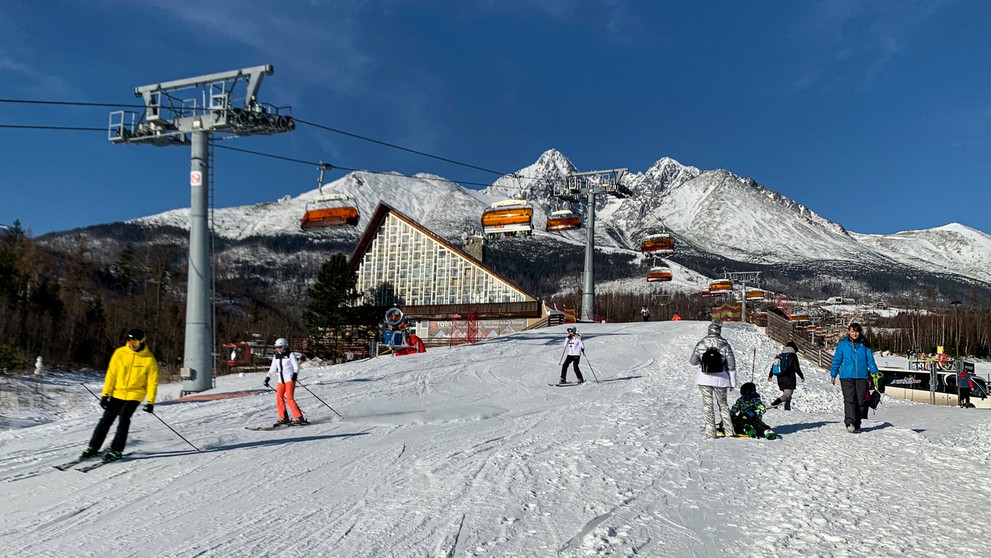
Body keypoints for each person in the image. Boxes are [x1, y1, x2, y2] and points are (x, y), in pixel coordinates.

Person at [79, 328, 159, 463]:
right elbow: (111, 374)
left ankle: (116, 450)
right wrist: (105, 395)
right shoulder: (120, 353)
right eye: (128, 341)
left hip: (135, 393)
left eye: (134, 341)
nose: (131, 344)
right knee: (105, 420)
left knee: (124, 418)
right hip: (118, 392)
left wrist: (150, 402)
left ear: (142, 341)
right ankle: (92, 447)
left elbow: (152, 382)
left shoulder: (149, 359)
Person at [689, 320, 737, 439]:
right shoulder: (725, 344)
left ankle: (711, 433)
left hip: (704, 379)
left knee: (707, 405)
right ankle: (729, 431)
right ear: (719, 331)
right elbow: (731, 364)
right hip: (721, 379)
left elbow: (693, 361)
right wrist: (732, 382)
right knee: (723, 405)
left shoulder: (701, 343)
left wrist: (703, 360)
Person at [829, 322, 879, 433]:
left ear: (859, 332)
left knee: (861, 401)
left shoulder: (865, 345)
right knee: (849, 400)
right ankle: (849, 422)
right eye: (852, 331)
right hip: (846, 376)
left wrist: (875, 373)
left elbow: (870, 360)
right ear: (849, 332)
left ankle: (857, 422)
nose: (854, 334)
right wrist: (833, 374)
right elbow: (837, 360)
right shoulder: (842, 345)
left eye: (856, 331)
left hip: (862, 376)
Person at [264, 338, 307, 426]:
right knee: (279, 397)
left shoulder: (290, 354)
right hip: (281, 380)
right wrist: (267, 378)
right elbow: (272, 369)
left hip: (289, 379)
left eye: (280, 347)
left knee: (289, 397)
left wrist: (295, 374)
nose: (278, 349)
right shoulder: (276, 356)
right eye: (276, 347)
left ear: (285, 346)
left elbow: (296, 366)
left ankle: (299, 417)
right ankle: (284, 418)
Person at [768, 341, 805, 410]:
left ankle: (787, 409)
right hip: (789, 378)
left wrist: (770, 375)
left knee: (788, 395)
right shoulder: (792, 356)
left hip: (780, 378)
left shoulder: (780, 355)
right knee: (787, 395)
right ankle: (775, 403)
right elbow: (796, 367)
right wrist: (801, 376)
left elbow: (773, 366)